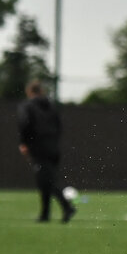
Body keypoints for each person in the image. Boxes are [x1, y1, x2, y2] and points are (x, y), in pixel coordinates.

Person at [17, 80, 75, 223]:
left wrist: (24, 143)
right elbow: (59, 126)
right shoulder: (51, 106)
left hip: (38, 148)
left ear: (29, 92)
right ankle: (45, 214)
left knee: (47, 180)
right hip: (53, 148)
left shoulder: (28, 106)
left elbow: (25, 124)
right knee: (45, 180)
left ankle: (67, 207)